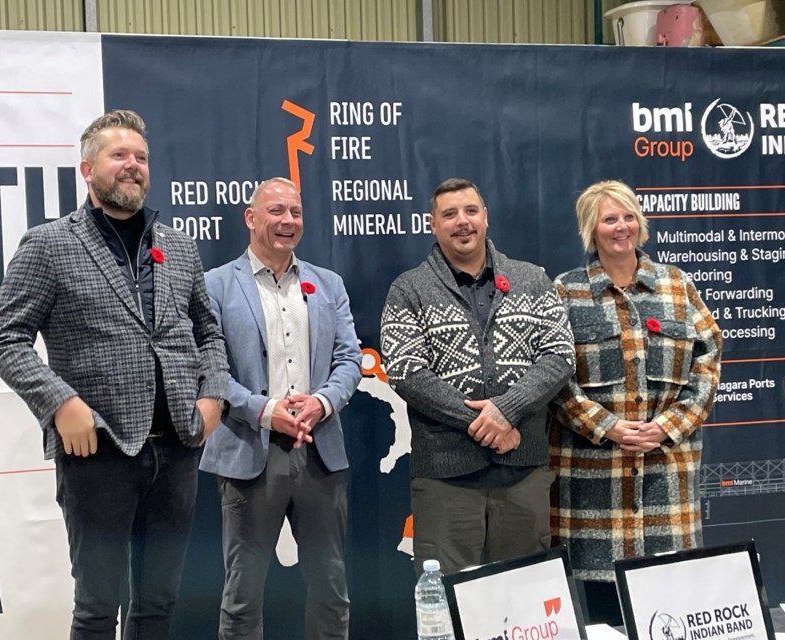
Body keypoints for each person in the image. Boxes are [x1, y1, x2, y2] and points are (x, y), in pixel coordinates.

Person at [0, 109, 230, 639]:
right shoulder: (49, 245)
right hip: (97, 453)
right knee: (98, 608)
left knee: (157, 607)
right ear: (87, 169)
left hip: (178, 452)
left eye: (141, 157)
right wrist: (60, 403)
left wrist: (213, 397)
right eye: (119, 155)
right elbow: (6, 340)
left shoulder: (180, 247)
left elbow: (210, 334)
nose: (133, 166)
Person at [379, 178, 576, 577]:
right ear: (432, 224)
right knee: (448, 608)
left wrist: (506, 410)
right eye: (449, 214)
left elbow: (560, 355)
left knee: (526, 603)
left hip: (524, 474)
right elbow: (405, 370)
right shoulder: (408, 289)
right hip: (446, 480)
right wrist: (486, 424)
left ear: (485, 217)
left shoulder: (532, 280)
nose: (462, 222)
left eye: (470, 211)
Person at [550, 179, 722, 624]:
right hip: (594, 489)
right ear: (592, 229)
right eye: (610, 219)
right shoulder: (566, 292)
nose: (621, 227)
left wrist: (669, 424)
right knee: (604, 621)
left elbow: (708, 362)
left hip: (666, 480)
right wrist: (604, 425)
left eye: (628, 217)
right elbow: (553, 377)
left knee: (671, 617)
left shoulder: (677, 285)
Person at [199, 177, 362, 640]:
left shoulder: (327, 284)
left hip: (319, 452)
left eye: (295, 212)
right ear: (251, 219)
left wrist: (323, 401)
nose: (287, 221)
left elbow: (350, 358)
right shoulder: (215, 286)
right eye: (276, 211)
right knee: (243, 596)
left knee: (332, 590)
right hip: (249, 454)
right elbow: (208, 368)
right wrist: (264, 410)